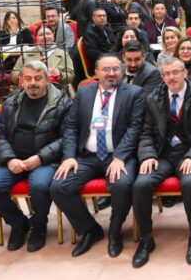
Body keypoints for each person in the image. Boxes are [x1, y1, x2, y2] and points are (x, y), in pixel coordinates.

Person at [50, 53, 144, 257]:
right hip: (87, 156)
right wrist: (69, 156)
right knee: (59, 186)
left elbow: (135, 128)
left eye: (116, 69)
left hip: (118, 156)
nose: (112, 73)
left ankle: (115, 232)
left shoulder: (134, 93)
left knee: (123, 185)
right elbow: (71, 127)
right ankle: (90, 230)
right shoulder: (84, 93)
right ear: (96, 73)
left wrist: (120, 157)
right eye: (106, 69)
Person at [132, 56, 191, 268]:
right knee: (141, 184)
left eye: (175, 72)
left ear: (185, 73)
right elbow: (146, 133)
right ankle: (146, 238)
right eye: (166, 74)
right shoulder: (153, 98)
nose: (171, 77)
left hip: (189, 153)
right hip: (162, 154)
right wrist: (148, 155)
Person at [0, 60, 71, 252]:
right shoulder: (10, 102)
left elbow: (66, 138)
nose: (33, 83)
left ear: (47, 80)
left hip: (44, 161)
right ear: (21, 80)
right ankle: (19, 224)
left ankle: (39, 225)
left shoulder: (63, 103)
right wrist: (9, 159)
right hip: (14, 159)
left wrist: (40, 158)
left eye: (38, 78)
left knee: (40, 186)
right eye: (28, 78)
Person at [10, 25, 75, 86]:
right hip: (29, 89)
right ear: (36, 37)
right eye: (41, 35)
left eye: (48, 34)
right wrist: (25, 75)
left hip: (56, 90)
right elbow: (13, 74)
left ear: (53, 36)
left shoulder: (63, 54)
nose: (45, 37)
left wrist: (60, 75)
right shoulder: (27, 54)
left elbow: (71, 76)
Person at [82, 8, 115, 76]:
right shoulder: (89, 33)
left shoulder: (107, 29)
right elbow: (92, 52)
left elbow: (114, 43)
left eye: (104, 16)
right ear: (93, 18)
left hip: (112, 57)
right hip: (100, 63)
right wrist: (109, 57)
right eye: (99, 16)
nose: (102, 18)